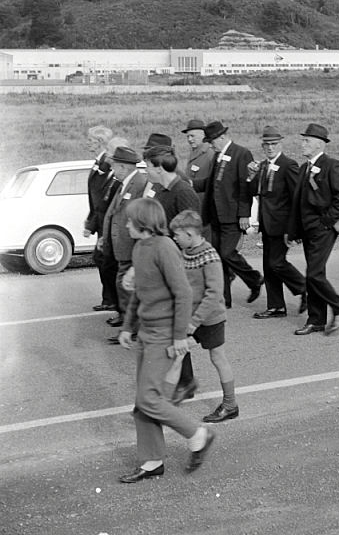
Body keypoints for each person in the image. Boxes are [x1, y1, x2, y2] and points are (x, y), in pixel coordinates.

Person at [117, 199, 214, 482]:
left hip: (164, 335)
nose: (126, 224)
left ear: (143, 222)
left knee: (148, 398)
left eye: (129, 220)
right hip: (146, 333)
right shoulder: (140, 248)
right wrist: (127, 326)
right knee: (143, 401)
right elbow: (139, 292)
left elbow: (183, 293)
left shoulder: (164, 247)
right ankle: (152, 462)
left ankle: (198, 435)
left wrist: (179, 336)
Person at [143, 143, 202, 405]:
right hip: (166, 262)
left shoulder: (183, 191)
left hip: (180, 265)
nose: (146, 170)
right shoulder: (162, 190)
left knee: (181, 323)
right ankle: (181, 378)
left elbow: (192, 231)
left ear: (158, 167)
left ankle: (186, 380)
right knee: (173, 323)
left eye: (148, 166)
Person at [168, 210, 239, 423]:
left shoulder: (209, 256)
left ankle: (230, 404)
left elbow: (214, 293)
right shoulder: (185, 253)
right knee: (177, 352)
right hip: (189, 316)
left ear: (190, 234)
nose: (174, 238)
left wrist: (193, 322)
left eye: (177, 235)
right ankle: (182, 387)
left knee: (217, 357)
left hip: (209, 318)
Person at [289, 124, 339, 336]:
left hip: (323, 228)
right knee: (314, 274)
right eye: (303, 140)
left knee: (314, 274)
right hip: (307, 229)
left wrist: (326, 222)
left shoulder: (331, 165)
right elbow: (298, 202)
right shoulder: (304, 167)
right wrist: (294, 231)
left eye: (307, 140)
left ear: (319, 143)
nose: (302, 144)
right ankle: (316, 320)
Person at [197, 121, 263, 308]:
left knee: (227, 253)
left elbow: (246, 186)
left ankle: (254, 278)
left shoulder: (241, 154)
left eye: (212, 141)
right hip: (216, 214)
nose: (211, 145)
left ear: (222, 137)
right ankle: (224, 298)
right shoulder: (218, 156)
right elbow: (211, 183)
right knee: (219, 257)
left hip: (233, 215)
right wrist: (191, 183)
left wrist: (244, 215)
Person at [246, 125, 307, 319]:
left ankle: (305, 288)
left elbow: (297, 197)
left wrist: (295, 227)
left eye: (274, 144)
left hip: (282, 225)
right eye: (267, 145)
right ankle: (276, 306)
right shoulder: (263, 165)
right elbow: (255, 191)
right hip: (267, 223)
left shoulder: (289, 165)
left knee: (276, 263)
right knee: (268, 266)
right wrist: (251, 176)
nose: (270, 148)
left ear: (281, 144)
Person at [100, 146, 148, 330]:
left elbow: (139, 217)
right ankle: (129, 324)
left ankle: (132, 327)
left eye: (114, 167)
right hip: (121, 244)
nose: (112, 171)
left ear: (123, 167)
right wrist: (105, 237)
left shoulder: (139, 184)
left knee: (126, 285)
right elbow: (112, 213)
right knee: (123, 284)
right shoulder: (125, 183)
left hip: (130, 245)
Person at [85, 124, 116, 312]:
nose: (87, 144)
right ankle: (109, 299)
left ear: (100, 142)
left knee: (105, 260)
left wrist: (92, 222)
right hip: (100, 220)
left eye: (90, 140)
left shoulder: (106, 163)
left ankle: (112, 299)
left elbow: (101, 197)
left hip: (105, 220)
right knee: (102, 259)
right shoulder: (99, 162)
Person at [182, 119, 215, 205]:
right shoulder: (193, 152)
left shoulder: (210, 154)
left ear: (203, 135)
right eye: (188, 136)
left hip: (203, 203)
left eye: (192, 136)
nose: (189, 139)